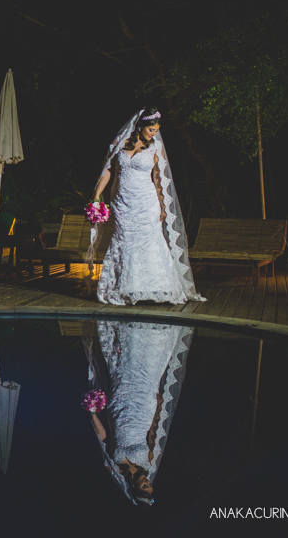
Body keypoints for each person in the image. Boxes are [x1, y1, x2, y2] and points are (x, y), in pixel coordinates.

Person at [90, 108, 204, 305]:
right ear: (140, 126)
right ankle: (125, 287)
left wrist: (162, 207)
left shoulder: (155, 147)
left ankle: (156, 286)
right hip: (121, 202)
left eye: (156, 130)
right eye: (151, 129)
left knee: (150, 241)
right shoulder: (119, 143)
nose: (154, 133)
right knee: (124, 240)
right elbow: (108, 169)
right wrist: (96, 195)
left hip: (146, 201)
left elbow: (159, 179)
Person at [83, 320, 194, 505]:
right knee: (147, 371)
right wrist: (159, 406)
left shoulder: (116, 467)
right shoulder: (149, 462)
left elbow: (103, 437)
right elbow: (154, 431)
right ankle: (154, 332)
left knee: (125, 367)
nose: (147, 481)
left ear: (133, 487)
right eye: (150, 484)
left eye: (144, 486)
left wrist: (93, 413)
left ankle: (130, 330)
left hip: (119, 406)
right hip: (143, 410)